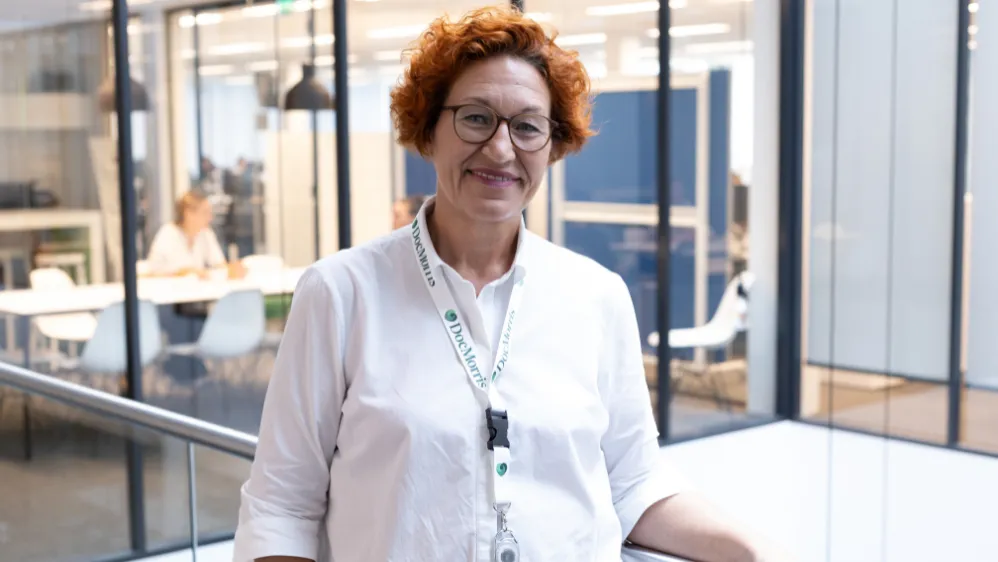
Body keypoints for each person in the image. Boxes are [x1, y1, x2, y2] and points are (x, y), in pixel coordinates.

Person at [234, 6, 787, 562]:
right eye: (475, 118)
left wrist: (752, 550)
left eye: (527, 126)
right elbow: (282, 507)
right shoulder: (341, 294)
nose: (501, 149)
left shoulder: (596, 297)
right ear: (428, 130)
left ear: (553, 145)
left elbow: (634, 481)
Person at [145, 189, 245, 279]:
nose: (210, 218)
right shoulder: (168, 234)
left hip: (198, 294)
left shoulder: (205, 233)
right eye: (205, 213)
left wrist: (231, 269)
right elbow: (153, 273)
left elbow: (218, 264)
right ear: (188, 214)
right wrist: (187, 272)